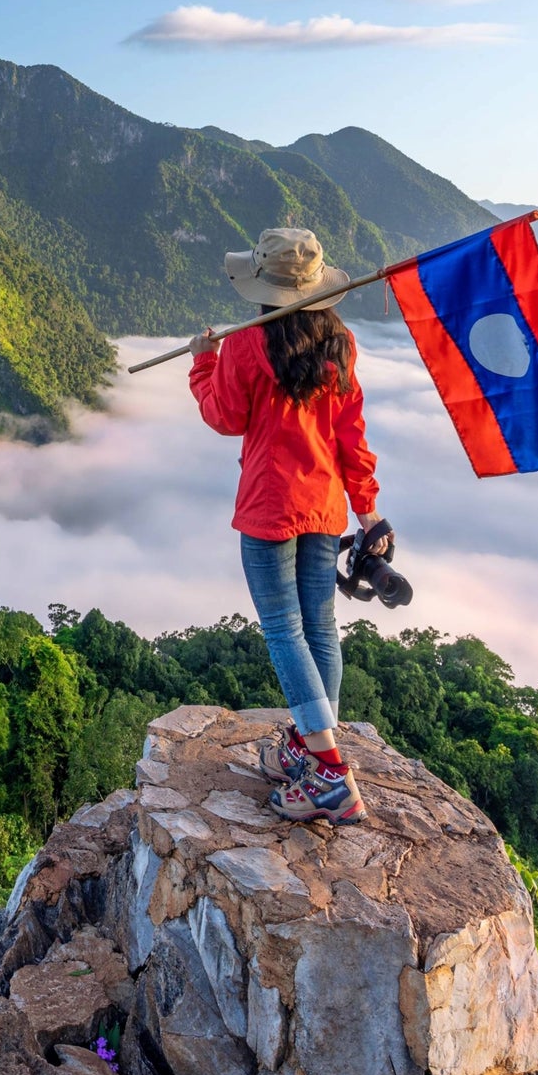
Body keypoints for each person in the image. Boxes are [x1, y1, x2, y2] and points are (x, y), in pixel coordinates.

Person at [185, 227, 381, 825]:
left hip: (271, 507)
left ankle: (329, 773)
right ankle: (307, 744)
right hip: (325, 506)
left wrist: (203, 363)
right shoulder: (340, 344)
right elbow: (352, 436)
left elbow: (225, 416)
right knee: (319, 627)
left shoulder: (248, 345)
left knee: (283, 631)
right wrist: (367, 507)